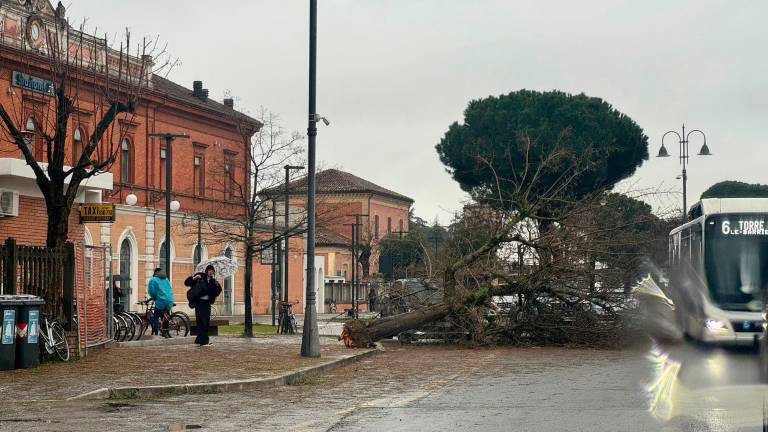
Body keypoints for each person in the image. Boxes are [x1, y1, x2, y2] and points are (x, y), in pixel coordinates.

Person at [185, 264, 222, 346]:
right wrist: (194, 278)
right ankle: (204, 340)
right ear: (206, 271)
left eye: (212, 271)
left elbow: (218, 291)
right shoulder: (200, 277)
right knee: (201, 321)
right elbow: (187, 283)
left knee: (206, 322)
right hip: (199, 303)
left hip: (207, 304)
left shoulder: (213, 281)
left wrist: (217, 285)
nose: (210, 272)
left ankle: (200, 339)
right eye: (209, 271)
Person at [147, 267, 175, 337]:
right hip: (170, 300)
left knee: (156, 318)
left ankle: (156, 334)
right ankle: (165, 332)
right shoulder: (166, 279)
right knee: (165, 316)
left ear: (155, 273)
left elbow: (151, 291)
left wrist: (154, 298)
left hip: (161, 301)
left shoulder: (153, 280)